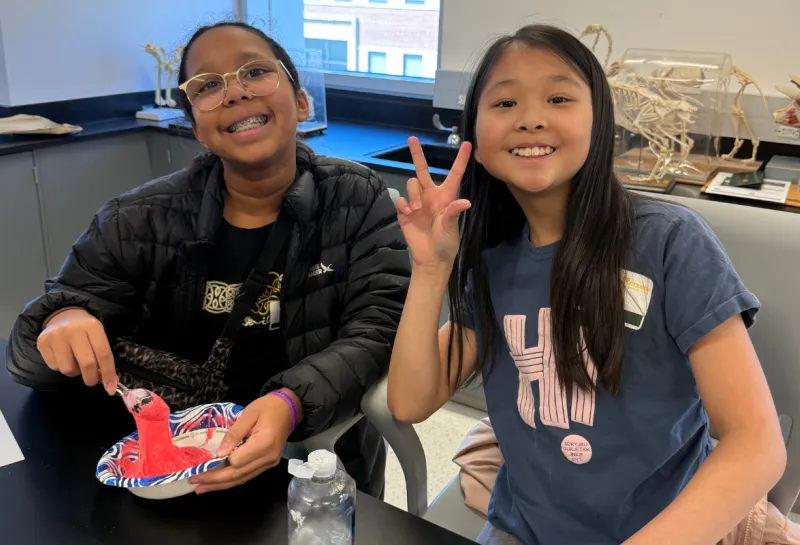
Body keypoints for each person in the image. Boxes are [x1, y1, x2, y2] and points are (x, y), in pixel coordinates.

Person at [387, 24, 786, 545]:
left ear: (601, 127)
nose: (530, 118)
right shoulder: (490, 259)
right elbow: (410, 402)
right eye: (504, 103)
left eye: (558, 97)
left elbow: (757, 444)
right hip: (527, 527)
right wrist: (432, 268)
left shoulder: (668, 242)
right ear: (477, 146)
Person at [7, 21, 410, 498]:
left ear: (301, 103)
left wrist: (291, 402)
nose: (235, 93)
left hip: (307, 463)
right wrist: (64, 319)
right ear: (196, 127)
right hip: (169, 468)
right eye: (209, 86)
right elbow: (31, 356)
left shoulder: (353, 196)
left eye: (256, 72)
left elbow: (379, 328)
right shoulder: (137, 219)